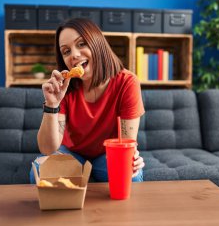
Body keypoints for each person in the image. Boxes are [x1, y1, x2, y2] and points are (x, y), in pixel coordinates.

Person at [30, 18, 145, 183]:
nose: (75, 55)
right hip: (72, 154)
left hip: (108, 155)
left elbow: (127, 143)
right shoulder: (64, 87)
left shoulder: (127, 82)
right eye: (66, 51)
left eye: (81, 44)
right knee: (39, 172)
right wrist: (52, 104)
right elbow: (47, 149)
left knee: (129, 174)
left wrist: (131, 159)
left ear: (97, 43)